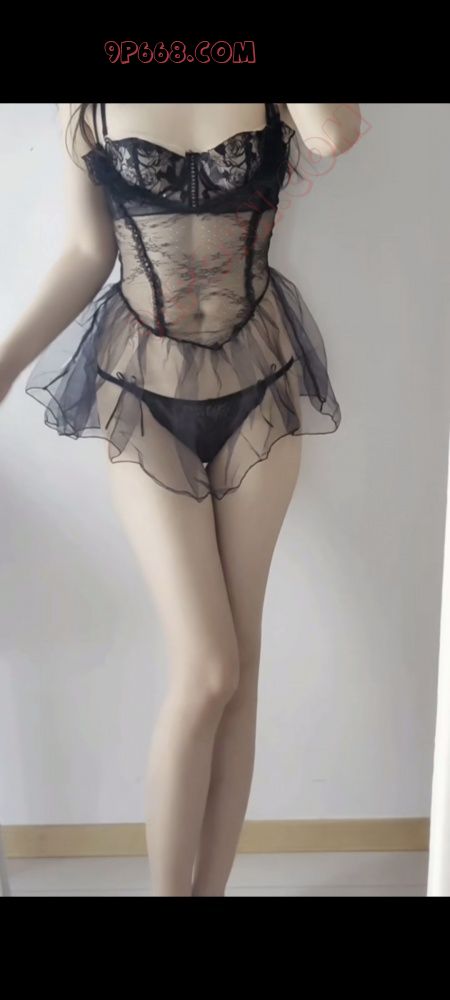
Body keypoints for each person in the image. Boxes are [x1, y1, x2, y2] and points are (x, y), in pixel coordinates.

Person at [0, 101, 361, 896]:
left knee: (242, 667)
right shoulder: (89, 103)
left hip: (261, 379)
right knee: (208, 667)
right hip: (142, 387)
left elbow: (333, 133)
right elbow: (88, 251)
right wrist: (5, 361)